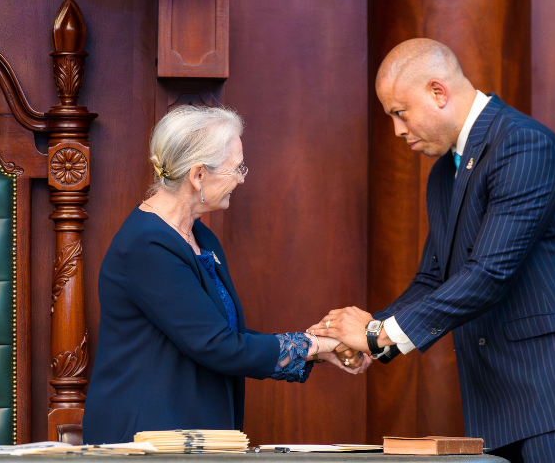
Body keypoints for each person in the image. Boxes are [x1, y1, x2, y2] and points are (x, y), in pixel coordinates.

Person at [313, 39, 555, 462]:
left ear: (438, 92)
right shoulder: (444, 172)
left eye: (400, 112)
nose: (397, 130)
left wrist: (377, 334)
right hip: (501, 401)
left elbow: (488, 274)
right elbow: (433, 279)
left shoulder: (523, 145)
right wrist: (372, 340)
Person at [83, 105, 367, 445]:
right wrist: (315, 344)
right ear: (198, 175)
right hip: (147, 437)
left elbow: (225, 335)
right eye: (236, 168)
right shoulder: (147, 245)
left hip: (188, 432)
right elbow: (217, 345)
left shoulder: (200, 236)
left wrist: (318, 351)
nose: (242, 178)